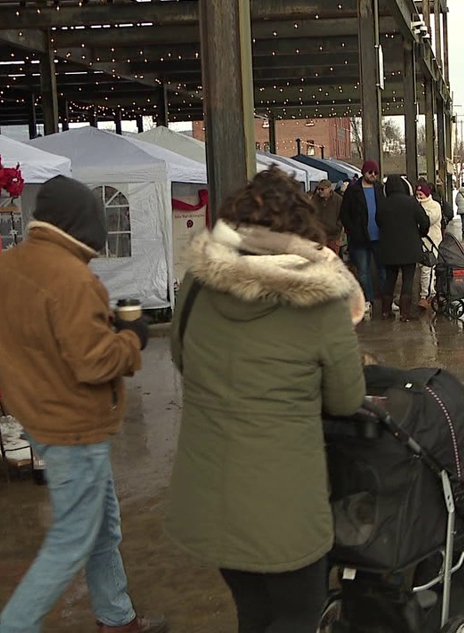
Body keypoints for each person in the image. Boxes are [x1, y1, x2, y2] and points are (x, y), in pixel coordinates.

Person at [0, 176, 164, 633]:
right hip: (75, 427)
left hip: (45, 420)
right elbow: (94, 362)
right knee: (72, 539)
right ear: (84, 224)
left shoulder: (6, 266)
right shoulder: (73, 278)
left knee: (101, 526)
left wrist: (1, 373)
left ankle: (115, 616)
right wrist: (132, 338)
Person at [167, 168, 366, 632]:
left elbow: (182, 357)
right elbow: (345, 398)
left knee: (252, 613)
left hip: (211, 494)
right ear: (304, 227)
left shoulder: (197, 285)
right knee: (296, 615)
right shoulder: (321, 298)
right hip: (286, 506)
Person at [376, 175, 431, 321]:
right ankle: (405, 314)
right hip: (409, 248)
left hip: (389, 248)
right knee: (408, 279)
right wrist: (420, 233)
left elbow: (378, 222)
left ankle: (386, 312)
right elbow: (424, 221)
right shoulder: (411, 202)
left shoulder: (382, 204)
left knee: (390, 279)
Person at [339, 160, 387, 307]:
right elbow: (344, 213)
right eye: (370, 172)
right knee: (363, 271)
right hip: (359, 238)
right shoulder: (353, 191)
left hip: (379, 237)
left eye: (375, 173)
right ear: (363, 172)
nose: (373, 175)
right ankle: (368, 300)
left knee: (383, 270)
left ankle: (386, 300)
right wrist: (352, 230)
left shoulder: (380, 189)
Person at [416, 184, 444, 309]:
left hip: (431, 241)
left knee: (428, 268)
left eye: (421, 194)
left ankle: (427, 295)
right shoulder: (416, 205)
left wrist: (420, 212)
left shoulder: (434, 206)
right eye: (417, 195)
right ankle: (425, 293)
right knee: (422, 269)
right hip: (419, 242)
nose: (418, 197)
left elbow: (430, 220)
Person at [310, 179, 343, 255]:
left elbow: (342, 215)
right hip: (319, 237)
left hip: (334, 237)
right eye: (318, 189)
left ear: (329, 188)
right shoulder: (315, 199)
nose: (320, 191)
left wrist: (337, 226)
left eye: (322, 189)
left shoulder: (338, 200)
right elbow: (311, 213)